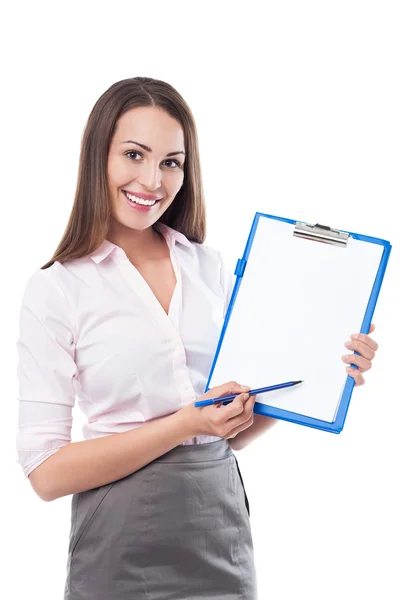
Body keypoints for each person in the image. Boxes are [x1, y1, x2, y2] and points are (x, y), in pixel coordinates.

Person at [15, 77, 379, 600]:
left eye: (171, 162)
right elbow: (46, 474)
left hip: (220, 527)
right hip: (119, 537)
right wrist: (184, 422)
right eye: (134, 154)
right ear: (99, 156)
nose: (152, 179)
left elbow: (227, 429)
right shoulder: (58, 288)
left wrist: (326, 372)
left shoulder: (213, 270)